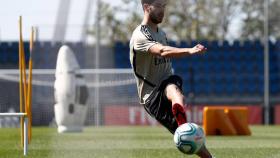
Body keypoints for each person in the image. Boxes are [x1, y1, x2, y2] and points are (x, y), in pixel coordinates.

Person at [129, 0, 213, 157]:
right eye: (159, 6)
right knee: (190, 138)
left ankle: (180, 116)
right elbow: (161, 51)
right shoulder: (140, 35)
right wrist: (189, 50)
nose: (163, 10)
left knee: (173, 88)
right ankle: (182, 124)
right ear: (147, 8)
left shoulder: (161, 33)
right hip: (151, 96)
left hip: (167, 81)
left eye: (164, 6)